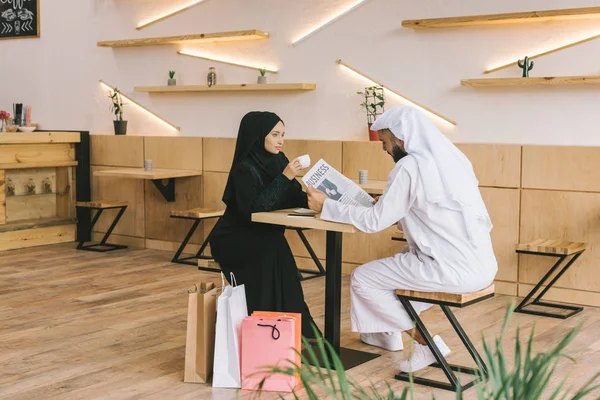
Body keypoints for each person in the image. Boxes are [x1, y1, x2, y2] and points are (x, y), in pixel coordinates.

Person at [306, 105, 497, 372]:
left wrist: (326, 205)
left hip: (450, 269)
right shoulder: (449, 161)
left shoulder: (409, 166)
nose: (384, 149)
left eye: (385, 142)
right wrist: (386, 206)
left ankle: (426, 344)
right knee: (393, 283)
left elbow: (374, 223)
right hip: (483, 267)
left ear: (400, 138)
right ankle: (387, 333)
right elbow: (432, 213)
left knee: (364, 278)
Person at [209, 111, 321, 339]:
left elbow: (290, 195)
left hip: (264, 236)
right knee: (275, 251)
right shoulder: (244, 168)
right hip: (234, 238)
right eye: (275, 134)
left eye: (283, 135)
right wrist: (285, 176)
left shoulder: (278, 161)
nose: (281, 140)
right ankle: (275, 330)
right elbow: (255, 209)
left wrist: (315, 199)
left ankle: (288, 331)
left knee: (276, 250)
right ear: (258, 135)